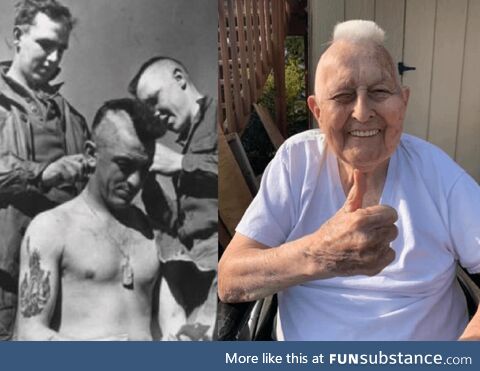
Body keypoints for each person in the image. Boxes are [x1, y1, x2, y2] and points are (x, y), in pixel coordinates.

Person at [218, 20, 480, 341]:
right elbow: (231, 279)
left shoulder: (437, 172)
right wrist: (319, 254)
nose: (362, 111)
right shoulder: (296, 162)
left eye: (380, 91)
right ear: (317, 110)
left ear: (404, 102)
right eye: (343, 95)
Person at [15, 98, 164, 340]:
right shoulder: (51, 228)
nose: (135, 181)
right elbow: (29, 335)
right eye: (124, 165)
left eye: (144, 169)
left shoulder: (153, 232)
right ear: (91, 154)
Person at [0, 0, 89, 340]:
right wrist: (43, 173)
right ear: (18, 36)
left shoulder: (72, 119)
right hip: (5, 279)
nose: (54, 59)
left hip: (62, 279)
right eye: (46, 45)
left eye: (61, 50)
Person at [128, 57, 217, 340]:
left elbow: (238, 174)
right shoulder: (189, 142)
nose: (154, 115)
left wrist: (181, 163)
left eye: (154, 100)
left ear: (179, 78)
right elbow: (179, 226)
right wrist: (148, 183)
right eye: (147, 109)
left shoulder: (219, 116)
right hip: (193, 270)